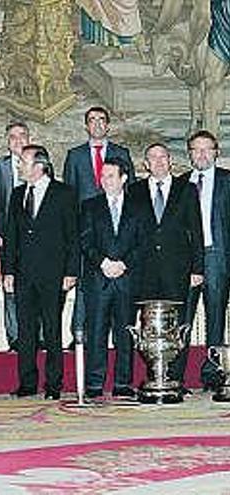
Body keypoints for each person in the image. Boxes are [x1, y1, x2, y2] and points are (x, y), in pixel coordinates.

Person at [3, 145, 78, 400]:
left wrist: (71, 271)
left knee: (53, 329)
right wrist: (8, 271)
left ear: (39, 166)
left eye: (23, 161)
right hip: (24, 274)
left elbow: (73, 236)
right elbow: (11, 234)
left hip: (54, 273)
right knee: (26, 330)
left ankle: (54, 384)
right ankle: (27, 382)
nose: (19, 166)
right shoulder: (17, 194)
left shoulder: (64, 193)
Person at [128, 143, 205, 391]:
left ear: (170, 160)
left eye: (163, 157)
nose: (158, 161)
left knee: (179, 324)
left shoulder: (187, 189)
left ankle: (176, 379)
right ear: (145, 164)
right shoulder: (135, 190)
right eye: (153, 157)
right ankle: (154, 377)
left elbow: (196, 231)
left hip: (178, 269)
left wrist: (198, 268)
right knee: (149, 326)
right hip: (145, 270)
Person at [63, 107, 134, 342]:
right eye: (91, 120)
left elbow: (131, 194)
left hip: (117, 234)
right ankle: (80, 334)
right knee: (86, 285)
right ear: (86, 126)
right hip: (88, 232)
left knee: (117, 288)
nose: (96, 124)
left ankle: (117, 336)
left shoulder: (121, 153)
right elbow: (69, 196)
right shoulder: (74, 155)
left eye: (101, 120)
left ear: (108, 125)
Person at [79, 160, 142, 399]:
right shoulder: (90, 206)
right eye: (103, 176)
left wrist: (123, 264)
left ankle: (123, 383)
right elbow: (85, 241)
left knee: (125, 333)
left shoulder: (138, 207)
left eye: (111, 175)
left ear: (123, 178)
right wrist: (104, 263)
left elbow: (142, 243)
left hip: (127, 279)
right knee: (96, 332)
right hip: (99, 278)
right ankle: (94, 383)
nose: (105, 180)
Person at [178, 130, 230, 391]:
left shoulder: (227, 181)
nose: (201, 154)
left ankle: (212, 374)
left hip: (217, 257)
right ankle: (176, 375)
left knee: (216, 317)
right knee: (182, 318)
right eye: (196, 149)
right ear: (189, 154)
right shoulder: (180, 183)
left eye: (206, 149)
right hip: (186, 261)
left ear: (216, 152)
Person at [0, 122, 30, 350]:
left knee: (36, 288)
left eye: (22, 136)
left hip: (34, 240)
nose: (18, 141)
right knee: (10, 287)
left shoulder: (41, 162)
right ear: (7, 141)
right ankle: (15, 338)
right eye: (13, 137)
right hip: (6, 237)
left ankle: (36, 336)